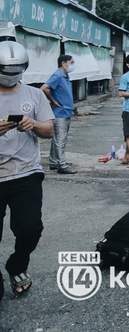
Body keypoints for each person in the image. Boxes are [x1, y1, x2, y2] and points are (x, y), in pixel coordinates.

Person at [0, 41, 55, 298]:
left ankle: (17, 264)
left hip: (26, 172)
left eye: (15, 71)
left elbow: (49, 131)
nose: (10, 77)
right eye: (5, 71)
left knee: (30, 229)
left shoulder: (35, 95)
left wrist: (32, 124)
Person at [40, 54, 77, 174]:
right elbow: (44, 88)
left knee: (58, 139)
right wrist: (53, 101)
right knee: (60, 139)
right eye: (71, 62)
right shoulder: (58, 75)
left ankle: (54, 162)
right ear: (64, 63)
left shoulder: (65, 77)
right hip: (60, 113)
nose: (73, 65)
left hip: (65, 112)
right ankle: (62, 164)